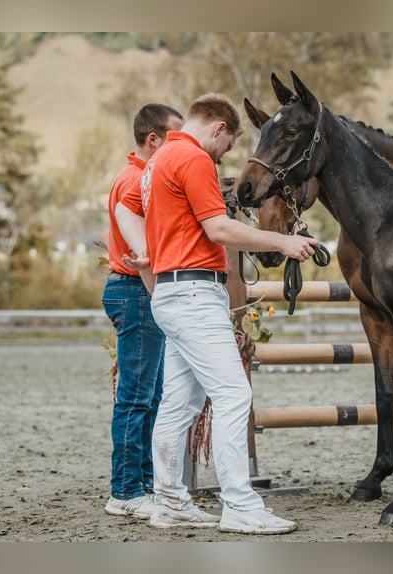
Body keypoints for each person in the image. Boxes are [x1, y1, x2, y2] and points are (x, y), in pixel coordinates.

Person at [137, 93, 318, 534]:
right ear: (219, 128)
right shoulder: (194, 158)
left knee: (181, 403)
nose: (224, 158)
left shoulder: (157, 163)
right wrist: (283, 242)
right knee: (234, 396)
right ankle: (239, 504)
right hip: (196, 293)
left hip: (173, 292)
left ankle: (170, 499)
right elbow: (217, 228)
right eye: (229, 146)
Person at [102, 103, 184, 519]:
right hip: (136, 291)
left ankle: (141, 483)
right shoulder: (136, 182)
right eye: (174, 138)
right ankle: (126, 490)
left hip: (133, 291)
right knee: (137, 397)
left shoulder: (137, 177)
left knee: (148, 395)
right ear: (154, 140)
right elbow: (143, 250)